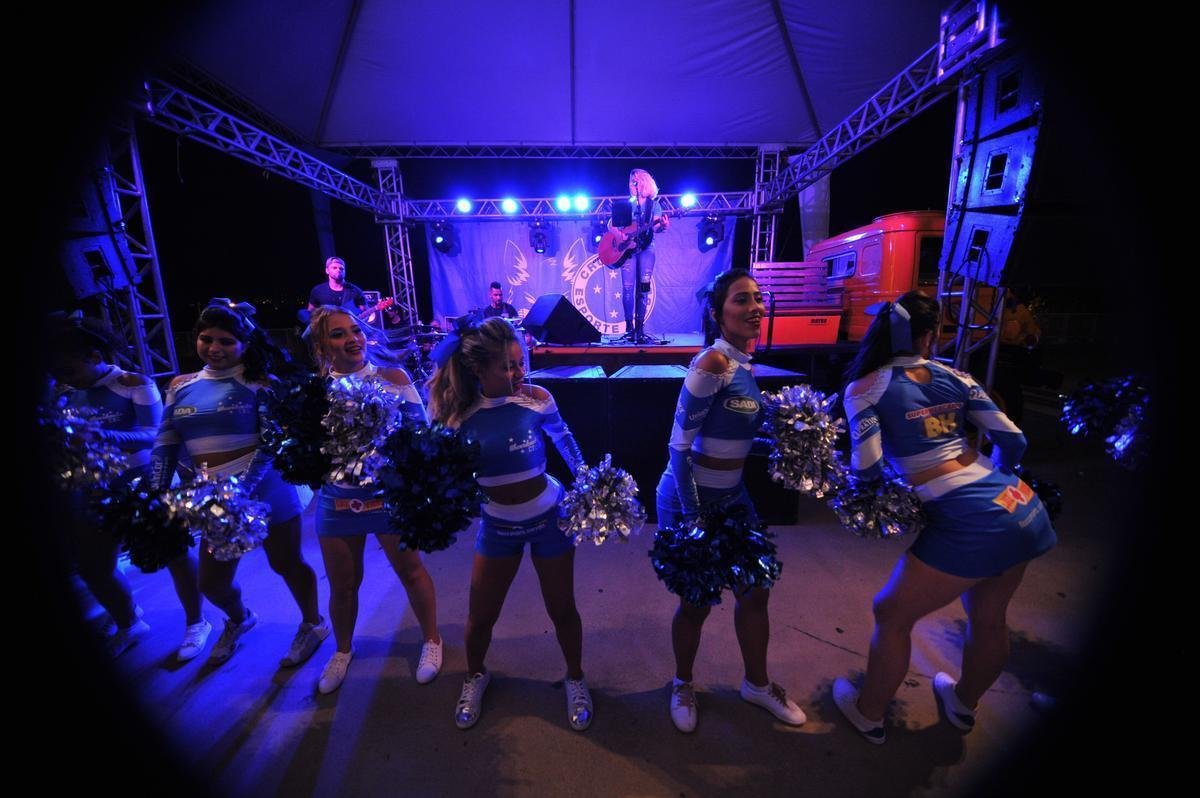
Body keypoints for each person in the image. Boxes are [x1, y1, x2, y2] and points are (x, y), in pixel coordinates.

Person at [833, 290, 1057, 744]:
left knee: (891, 613)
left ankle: (869, 713)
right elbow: (1013, 441)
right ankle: (962, 704)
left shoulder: (864, 388)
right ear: (928, 336)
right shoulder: (957, 377)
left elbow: (868, 466)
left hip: (968, 519)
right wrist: (998, 482)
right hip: (1018, 503)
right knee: (989, 615)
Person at [655, 268, 807, 733]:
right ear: (718, 312)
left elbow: (733, 439)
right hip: (691, 499)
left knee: (756, 590)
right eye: (742, 299)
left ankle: (756, 685)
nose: (755, 307)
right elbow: (679, 448)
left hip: (734, 497)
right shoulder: (712, 364)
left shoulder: (744, 364)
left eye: (759, 298)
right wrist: (695, 517)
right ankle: (681, 683)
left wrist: (788, 444)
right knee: (697, 602)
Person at [426, 317, 593, 731]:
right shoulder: (458, 416)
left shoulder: (537, 397)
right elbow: (446, 474)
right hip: (497, 526)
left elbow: (565, 440)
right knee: (480, 615)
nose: (518, 373)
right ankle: (476, 674)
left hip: (549, 518)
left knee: (562, 609)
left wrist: (589, 479)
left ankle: (576, 677)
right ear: (478, 370)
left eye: (521, 363)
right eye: (507, 366)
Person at [151, 300, 326, 667]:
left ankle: (313, 623)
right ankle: (240, 619)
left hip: (266, 493)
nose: (214, 348)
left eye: (226, 341)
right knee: (211, 582)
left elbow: (271, 442)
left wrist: (240, 490)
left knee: (287, 563)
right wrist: (158, 493)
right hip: (213, 501)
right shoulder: (181, 386)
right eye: (206, 338)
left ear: (245, 343)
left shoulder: (260, 383)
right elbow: (166, 442)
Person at [48, 313, 207, 659]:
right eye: (58, 372)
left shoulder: (134, 382)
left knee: (176, 555)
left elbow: (156, 435)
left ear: (93, 356)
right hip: (95, 491)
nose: (65, 378)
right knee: (93, 567)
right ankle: (128, 622)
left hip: (146, 484)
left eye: (70, 369)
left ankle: (197, 623)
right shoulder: (63, 392)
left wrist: (106, 435)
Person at [305, 307, 444, 694]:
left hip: (387, 497)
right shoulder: (315, 393)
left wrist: (412, 483)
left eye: (355, 330)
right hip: (337, 502)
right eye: (337, 334)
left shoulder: (392, 378)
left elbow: (422, 433)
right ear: (321, 346)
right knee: (342, 585)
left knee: (411, 572)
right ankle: (343, 651)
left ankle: (433, 641)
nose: (352, 339)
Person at [608, 169, 670, 342]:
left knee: (643, 287)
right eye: (630, 181)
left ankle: (640, 329)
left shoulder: (654, 205)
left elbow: (656, 227)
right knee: (627, 288)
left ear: (644, 182)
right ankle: (629, 328)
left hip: (647, 248)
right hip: (628, 250)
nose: (632, 183)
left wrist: (663, 226)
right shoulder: (627, 204)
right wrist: (620, 236)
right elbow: (610, 224)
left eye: (635, 180)